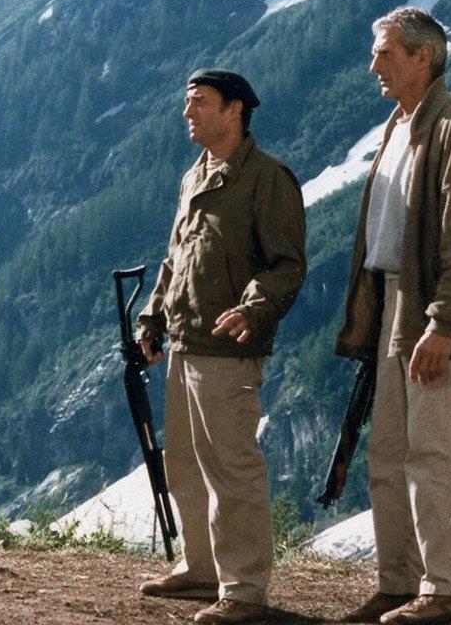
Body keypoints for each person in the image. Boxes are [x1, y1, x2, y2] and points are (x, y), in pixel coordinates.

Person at [336, 7, 451, 625]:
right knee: (388, 453)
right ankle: (399, 584)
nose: (373, 66)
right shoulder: (399, 125)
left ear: (424, 57)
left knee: (435, 450)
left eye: (385, 53)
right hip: (395, 302)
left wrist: (443, 323)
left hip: (430, 310)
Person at [135, 69, 307, 624]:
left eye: (200, 103)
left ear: (235, 110)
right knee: (185, 463)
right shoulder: (196, 175)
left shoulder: (267, 179)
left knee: (231, 467)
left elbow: (286, 264)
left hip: (229, 347)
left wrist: (253, 310)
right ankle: (201, 569)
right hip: (185, 340)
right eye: (188, 103)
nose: (188, 113)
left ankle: (245, 590)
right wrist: (152, 317)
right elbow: (176, 257)